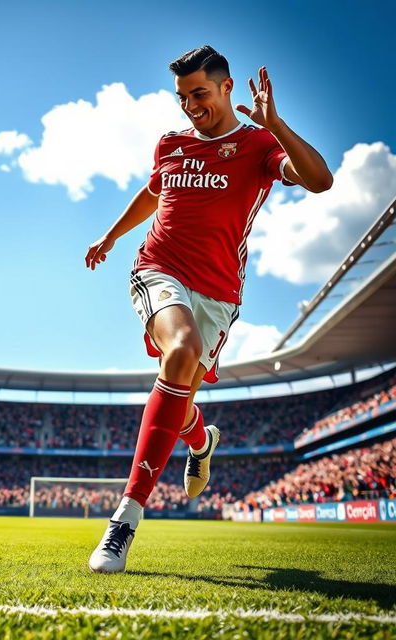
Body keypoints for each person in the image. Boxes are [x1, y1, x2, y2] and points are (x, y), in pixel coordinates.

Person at [85, 45, 333, 573]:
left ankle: (200, 438)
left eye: (199, 93)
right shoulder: (171, 144)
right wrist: (109, 236)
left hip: (219, 293)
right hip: (157, 268)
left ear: (225, 88)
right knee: (181, 351)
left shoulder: (257, 144)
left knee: (179, 396)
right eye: (181, 97)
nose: (189, 106)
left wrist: (278, 124)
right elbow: (155, 193)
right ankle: (123, 522)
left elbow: (319, 179)